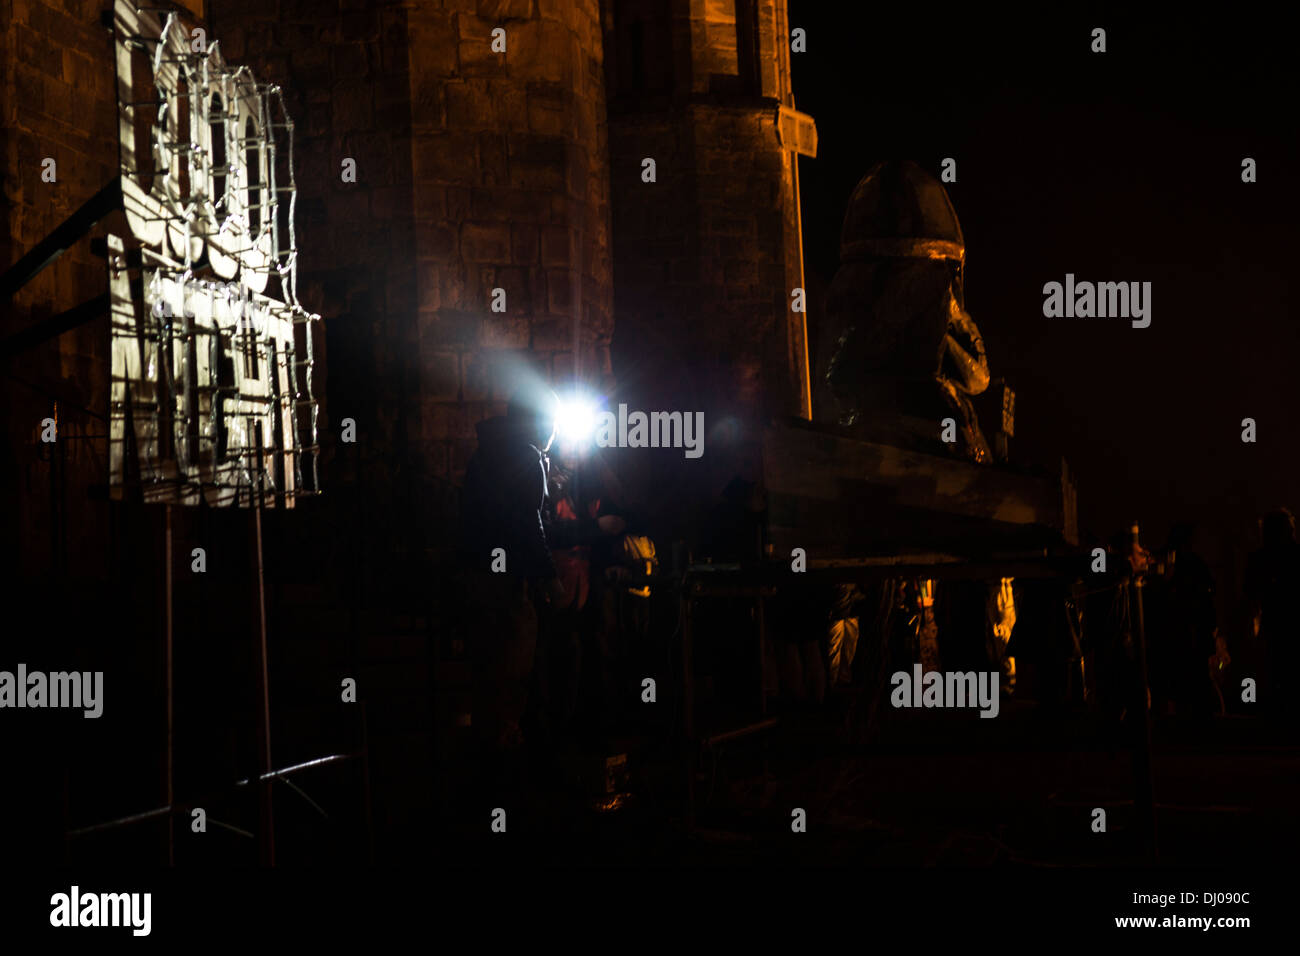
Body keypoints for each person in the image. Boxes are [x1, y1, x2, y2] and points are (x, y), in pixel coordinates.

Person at [458, 385, 563, 761]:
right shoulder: (525, 456)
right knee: (513, 670)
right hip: (508, 583)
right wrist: (551, 576)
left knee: (486, 673)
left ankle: (486, 756)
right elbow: (528, 523)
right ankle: (508, 757)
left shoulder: (487, 452)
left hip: (476, 576)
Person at [1245, 508, 1300, 723]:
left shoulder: (1261, 559)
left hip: (1277, 625)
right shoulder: (1289, 557)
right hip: (1281, 625)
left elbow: (1250, 593)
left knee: (1279, 671)